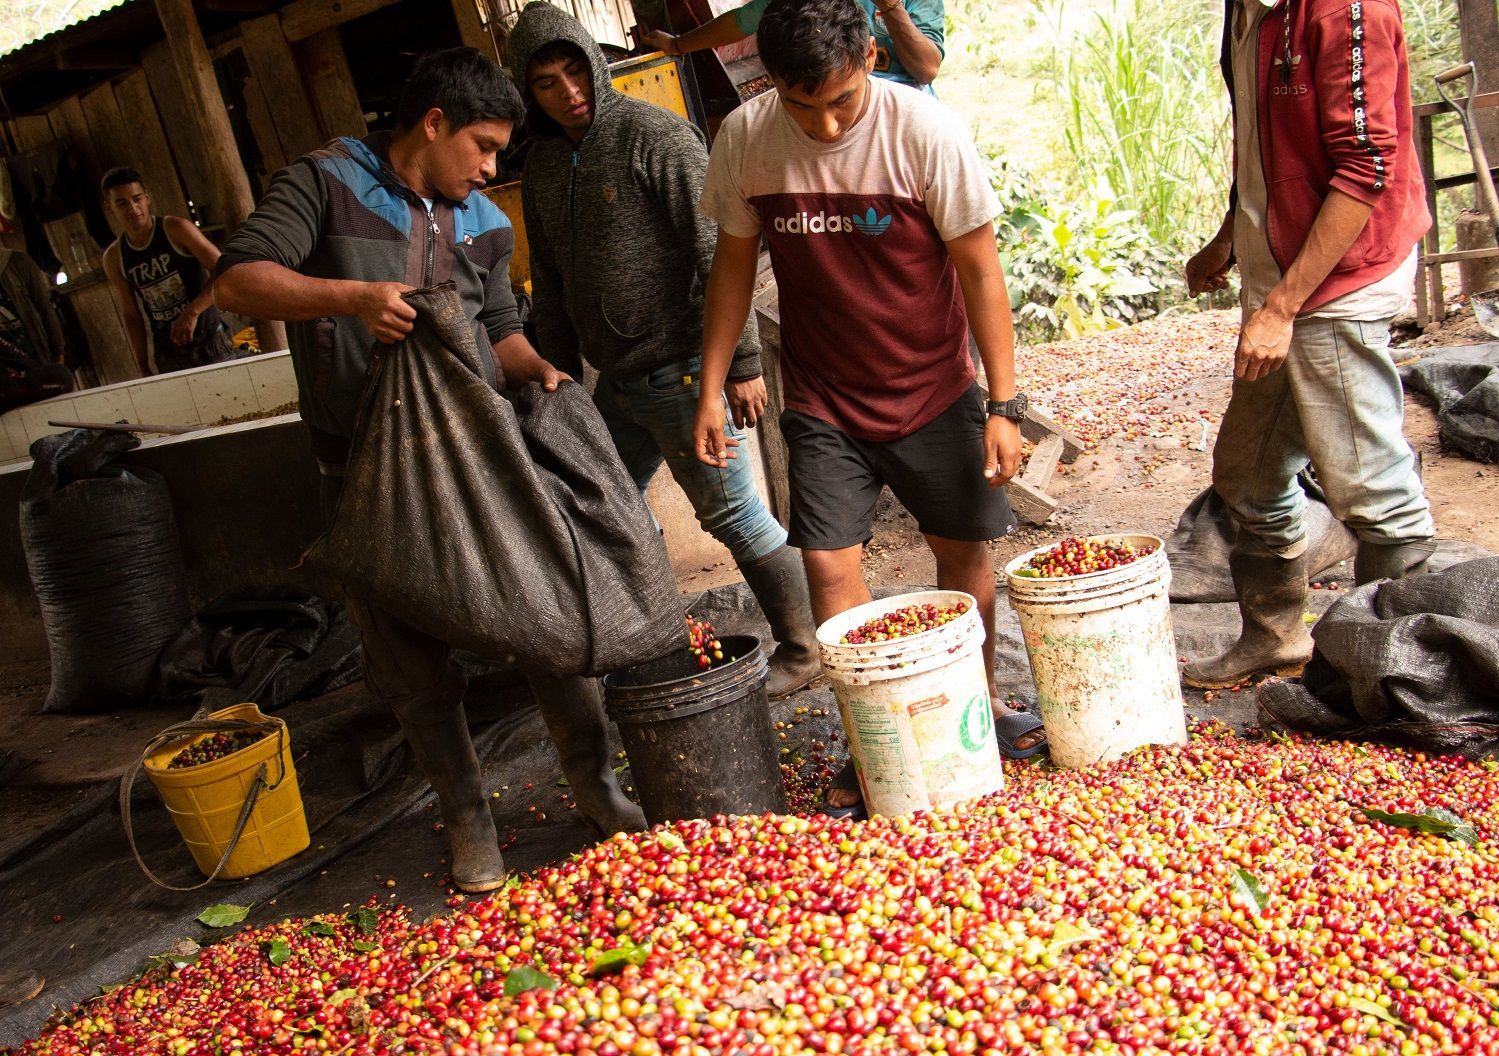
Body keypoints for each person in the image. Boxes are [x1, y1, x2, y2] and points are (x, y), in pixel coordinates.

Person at [215, 47, 644, 893]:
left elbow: (502, 327)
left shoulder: (484, 223)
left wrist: (536, 370)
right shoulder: (326, 183)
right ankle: (468, 820)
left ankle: (595, 786)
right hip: (368, 471)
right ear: (434, 122)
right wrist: (348, 298)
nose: (490, 169)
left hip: (483, 464)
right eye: (482, 147)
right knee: (413, 661)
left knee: (548, 623)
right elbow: (238, 282)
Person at [690, 0, 1045, 815]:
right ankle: (872, 740)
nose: (822, 125)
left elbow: (982, 274)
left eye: (841, 101)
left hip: (934, 385)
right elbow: (733, 272)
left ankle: (974, 715)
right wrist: (710, 388)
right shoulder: (746, 137)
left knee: (961, 559)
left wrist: (1004, 404)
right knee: (827, 566)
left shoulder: (924, 130)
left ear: (872, 58)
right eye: (800, 103)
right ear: (767, 79)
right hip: (824, 397)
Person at [506, 1, 821, 699]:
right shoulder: (546, 166)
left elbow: (720, 258)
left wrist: (738, 366)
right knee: (605, 510)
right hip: (613, 383)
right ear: (528, 93)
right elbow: (551, 285)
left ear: (594, 62)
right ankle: (655, 646)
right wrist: (556, 383)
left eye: (573, 72)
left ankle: (803, 646)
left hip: (686, 371)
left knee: (734, 514)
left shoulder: (655, 135)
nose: (569, 93)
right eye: (547, 83)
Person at [1181, 0, 1435, 690]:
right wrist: (1231, 237)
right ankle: (1275, 637)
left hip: (1338, 281)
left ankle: (1392, 674)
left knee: (1371, 490)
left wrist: (1285, 306)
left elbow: (1366, 165)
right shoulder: (1248, 11)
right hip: (1281, 278)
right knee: (1248, 476)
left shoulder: (1346, 11)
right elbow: (1268, 145)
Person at [100, 168, 237, 376]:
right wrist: (142, 364)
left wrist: (192, 312)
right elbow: (131, 315)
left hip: (209, 340)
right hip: (168, 353)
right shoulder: (114, 257)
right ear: (109, 209)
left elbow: (224, 269)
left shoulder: (176, 229)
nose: (133, 208)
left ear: (147, 199)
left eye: (137, 199)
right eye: (122, 203)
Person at [643, 0, 943, 94]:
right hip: (825, 98)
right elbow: (742, 20)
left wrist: (891, 8)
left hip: (902, 97)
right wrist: (678, 44)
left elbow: (926, 69)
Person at [0, 248, 72, 412]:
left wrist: (58, 355)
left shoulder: (17, 262)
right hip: (6, 376)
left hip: (35, 363)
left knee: (61, 376)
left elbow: (46, 310)